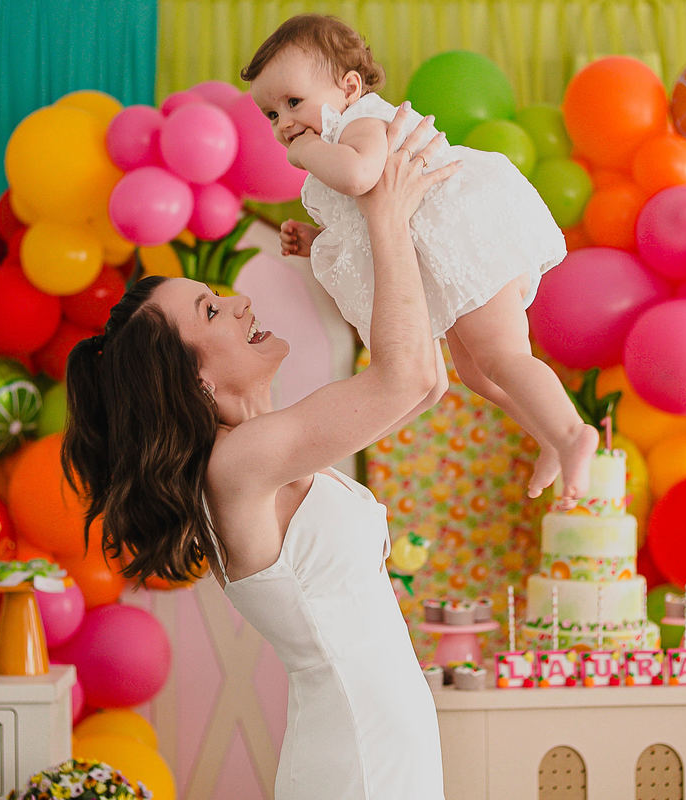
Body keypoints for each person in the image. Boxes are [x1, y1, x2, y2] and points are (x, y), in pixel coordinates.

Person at [62, 107, 454, 799]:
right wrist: (381, 215)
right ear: (195, 380)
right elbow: (410, 377)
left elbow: (425, 383)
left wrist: (359, 250)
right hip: (354, 758)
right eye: (211, 311)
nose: (241, 304)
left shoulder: (273, 454)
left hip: (383, 745)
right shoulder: (239, 465)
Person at [243, 13, 599, 503]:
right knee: (476, 372)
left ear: (348, 86)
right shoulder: (339, 140)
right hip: (446, 252)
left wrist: (303, 155)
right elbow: (367, 219)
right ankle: (549, 433)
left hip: (465, 239)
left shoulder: (360, 122)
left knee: (501, 356)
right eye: (272, 115)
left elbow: (362, 178)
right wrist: (317, 239)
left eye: (293, 102)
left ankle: (572, 432)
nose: (285, 123)